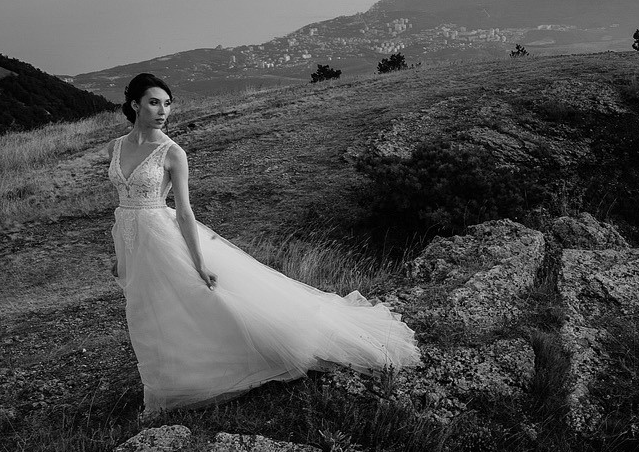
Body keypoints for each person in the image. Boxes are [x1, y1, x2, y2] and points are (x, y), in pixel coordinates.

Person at [107, 72, 420, 414]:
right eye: (154, 103)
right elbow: (124, 206)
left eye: (167, 104)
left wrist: (199, 263)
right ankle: (170, 379)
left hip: (165, 236)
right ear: (135, 105)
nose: (163, 111)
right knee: (147, 310)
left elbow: (184, 212)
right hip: (133, 239)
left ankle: (208, 372)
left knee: (200, 302)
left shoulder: (173, 152)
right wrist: (120, 252)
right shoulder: (116, 146)